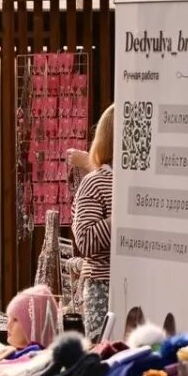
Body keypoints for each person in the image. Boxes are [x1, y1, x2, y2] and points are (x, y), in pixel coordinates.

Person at [71, 105, 115, 338]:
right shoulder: (95, 182)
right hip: (103, 289)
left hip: (143, 284)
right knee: (104, 356)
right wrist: (121, 218)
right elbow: (85, 241)